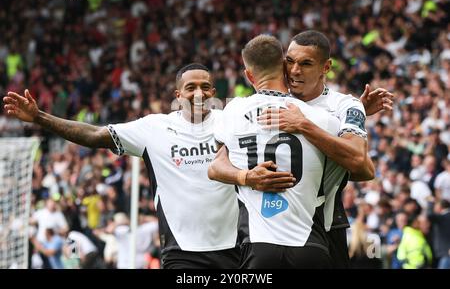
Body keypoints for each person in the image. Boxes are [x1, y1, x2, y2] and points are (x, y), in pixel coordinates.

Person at [3, 63, 294, 269]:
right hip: (182, 252)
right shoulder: (154, 127)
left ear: (214, 92)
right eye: (190, 87)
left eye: (205, 87)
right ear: (177, 95)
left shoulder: (231, 120)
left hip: (237, 246)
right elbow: (94, 135)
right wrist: (40, 117)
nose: (198, 93)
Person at [209, 30, 391, 268]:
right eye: (290, 62)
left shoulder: (344, 106)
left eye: (306, 64)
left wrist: (304, 126)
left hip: (325, 225)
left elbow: (362, 167)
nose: (295, 71)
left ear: (326, 67)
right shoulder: (267, 105)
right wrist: (246, 176)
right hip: (271, 229)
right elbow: (217, 164)